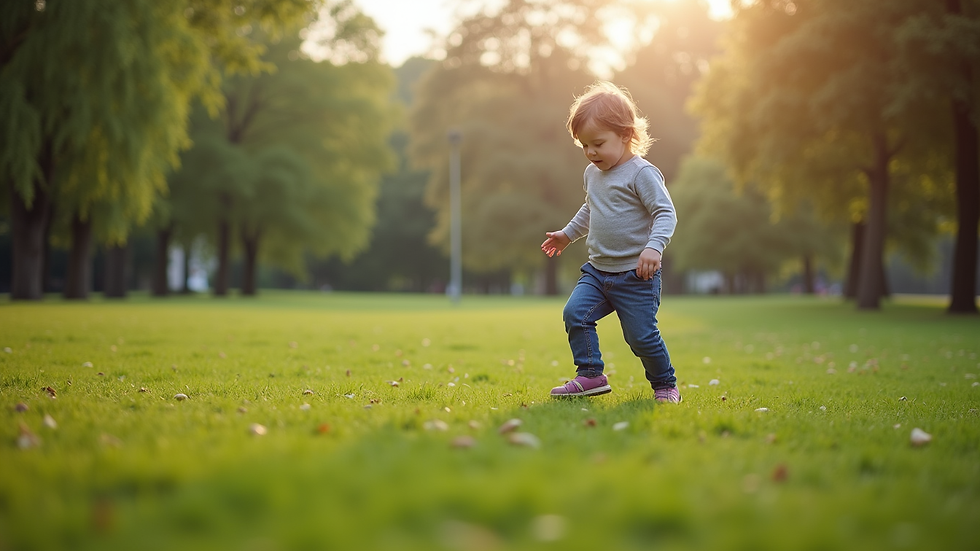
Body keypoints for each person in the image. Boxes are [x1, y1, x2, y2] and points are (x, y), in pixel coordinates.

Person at [541, 81, 680, 403]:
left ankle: (665, 384)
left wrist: (653, 247)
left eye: (598, 143)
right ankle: (590, 375)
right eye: (584, 145)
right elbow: (591, 208)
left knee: (641, 337)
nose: (591, 152)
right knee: (576, 313)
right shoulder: (592, 174)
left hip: (636, 276)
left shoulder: (641, 173)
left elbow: (665, 213)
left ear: (626, 134)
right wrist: (567, 234)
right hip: (598, 272)